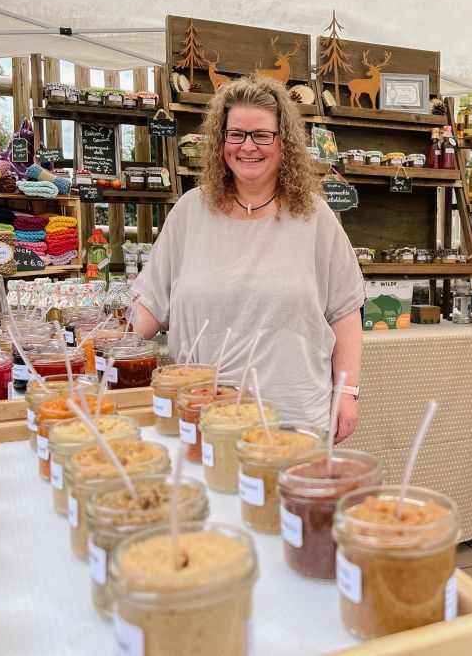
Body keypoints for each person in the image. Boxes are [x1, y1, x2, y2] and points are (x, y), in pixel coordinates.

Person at [133, 75, 364, 441]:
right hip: (203, 415)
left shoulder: (315, 217)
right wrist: (109, 346)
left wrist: (348, 394)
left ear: (283, 143)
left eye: (261, 135)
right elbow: (149, 306)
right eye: (236, 134)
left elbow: (345, 313)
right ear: (221, 140)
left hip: (294, 417)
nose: (247, 146)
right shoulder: (189, 212)